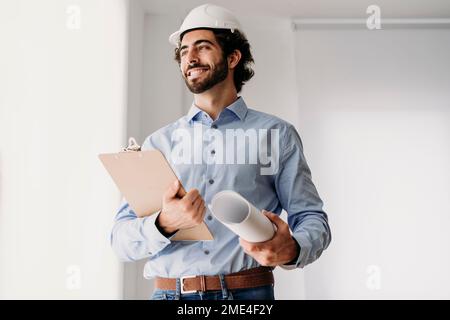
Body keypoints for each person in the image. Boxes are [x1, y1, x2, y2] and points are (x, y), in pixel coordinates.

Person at [111, 3, 331, 300]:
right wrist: (164, 223)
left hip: (248, 297)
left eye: (202, 47)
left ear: (232, 57)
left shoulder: (276, 135)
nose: (190, 57)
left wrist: (292, 248)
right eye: (184, 50)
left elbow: (312, 219)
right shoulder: (158, 144)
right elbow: (120, 241)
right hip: (170, 296)